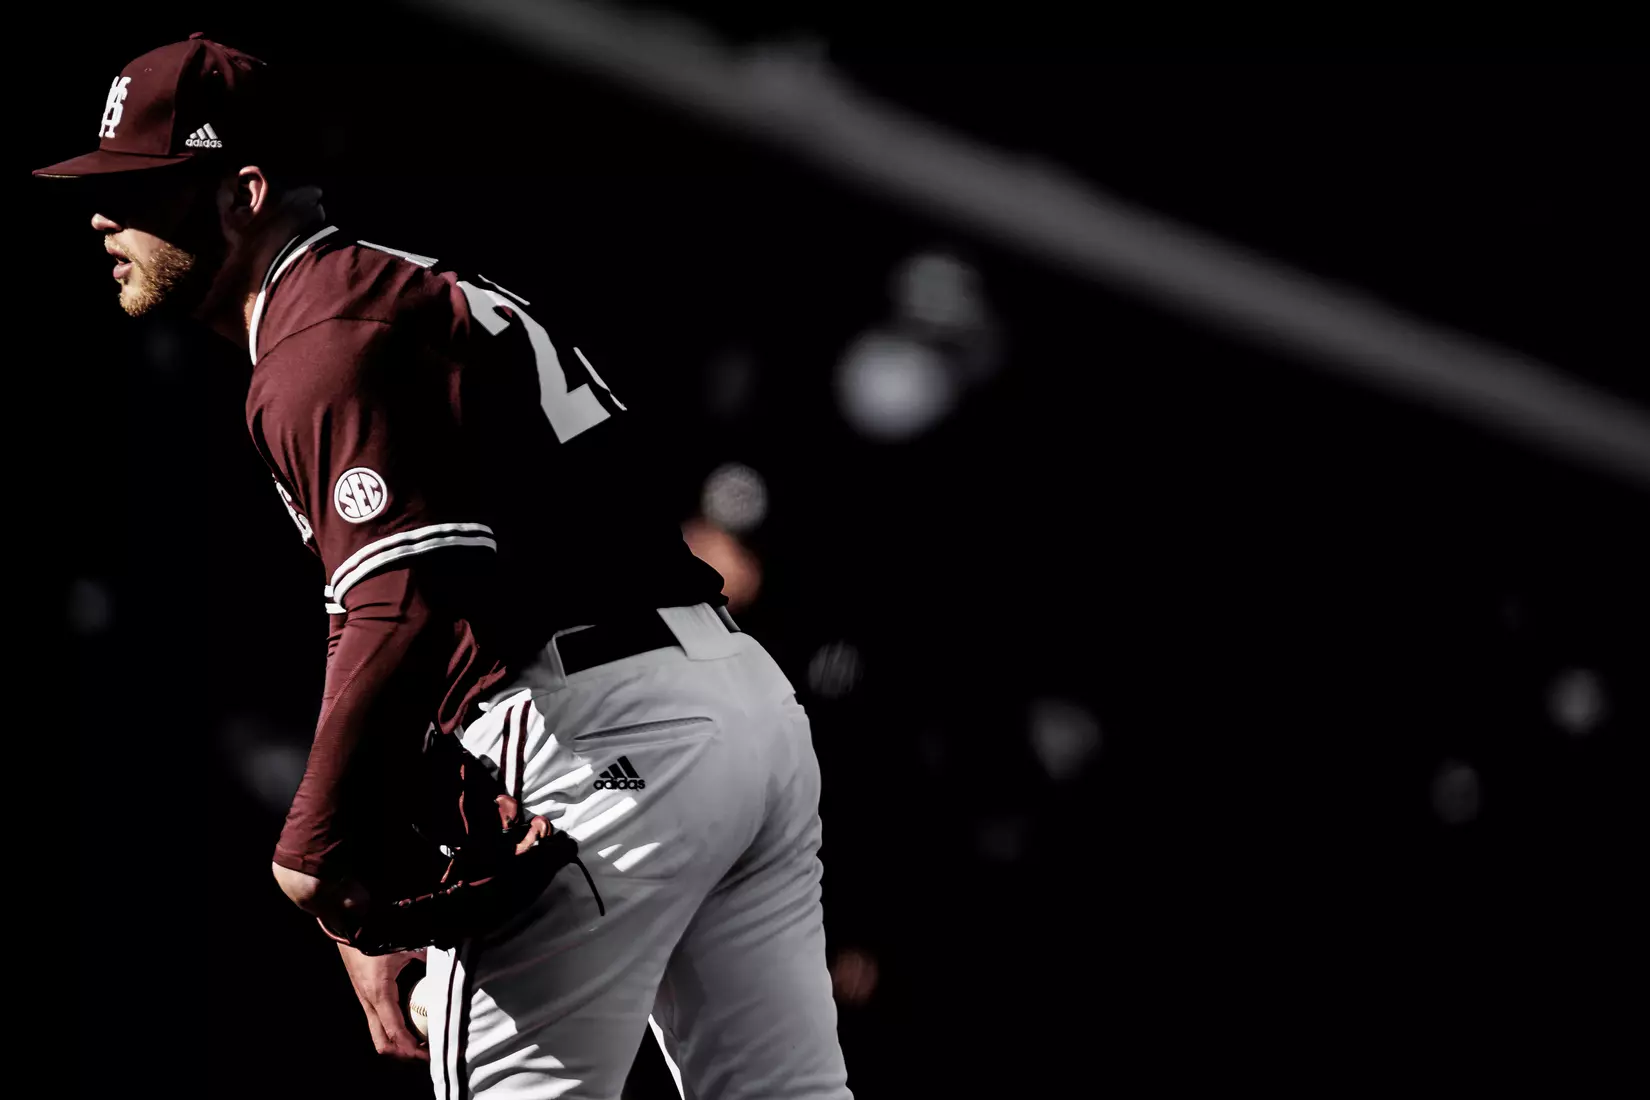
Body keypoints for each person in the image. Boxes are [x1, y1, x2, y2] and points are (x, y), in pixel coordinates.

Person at [36, 33, 852, 1100]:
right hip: (739, 702)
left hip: (603, 733)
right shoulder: (402, 292)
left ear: (242, 189)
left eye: (141, 187)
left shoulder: (318, 340)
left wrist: (318, 854)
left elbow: (398, 604)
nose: (104, 215)